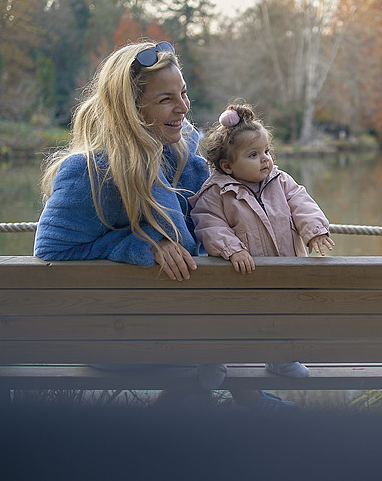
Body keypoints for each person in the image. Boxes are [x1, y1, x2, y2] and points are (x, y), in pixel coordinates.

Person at [33, 40, 295, 411]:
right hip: (117, 341)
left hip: (179, 326)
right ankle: (249, 405)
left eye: (183, 93)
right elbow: (50, 250)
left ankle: (202, 415)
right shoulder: (91, 172)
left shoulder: (187, 156)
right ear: (131, 109)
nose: (183, 108)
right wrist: (141, 244)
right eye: (166, 99)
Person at [189, 101, 335, 379]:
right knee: (227, 319)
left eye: (266, 151)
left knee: (282, 316)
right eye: (253, 154)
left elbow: (302, 203)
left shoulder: (280, 181)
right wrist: (232, 249)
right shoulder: (216, 193)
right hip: (240, 275)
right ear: (227, 166)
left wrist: (315, 229)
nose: (266, 159)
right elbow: (209, 224)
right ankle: (213, 360)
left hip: (284, 270)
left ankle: (281, 359)